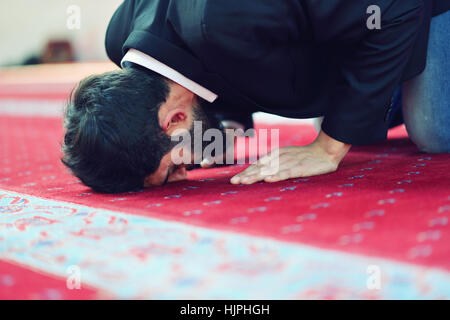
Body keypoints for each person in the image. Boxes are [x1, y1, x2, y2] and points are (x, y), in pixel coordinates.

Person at [62, 0, 450, 194]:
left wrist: (328, 148)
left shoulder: (229, 19)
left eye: (173, 168)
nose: (187, 172)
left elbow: (395, 9)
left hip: (410, 9)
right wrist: (229, 123)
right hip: (331, 31)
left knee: (433, 130)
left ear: (174, 119)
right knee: (350, 109)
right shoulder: (122, 40)